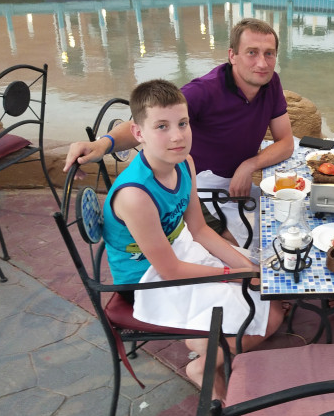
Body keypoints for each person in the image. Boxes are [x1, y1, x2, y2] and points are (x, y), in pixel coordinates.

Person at [102, 79, 284, 393]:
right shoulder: (136, 195)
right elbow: (170, 270)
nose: (177, 136)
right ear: (138, 133)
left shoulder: (184, 163)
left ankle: (205, 340)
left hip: (179, 248)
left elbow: (199, 230)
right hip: (146, 278)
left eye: (183, 123)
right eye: (162, 126)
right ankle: (203, 364)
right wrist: (231, 274)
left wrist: (246, 269)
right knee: (270, 317)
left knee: (272, 286)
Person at [64, 18, 294, 246]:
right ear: (232, 55)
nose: (262, 63)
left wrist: (249, 165)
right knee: (253, 242)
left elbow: (286, 142)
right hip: (198, 188)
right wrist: (102, 145)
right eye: (252, 53)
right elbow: (146, 122)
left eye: (269, 54)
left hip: (236, 183)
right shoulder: (204, 91)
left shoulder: (271, 83)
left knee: (287, 216)